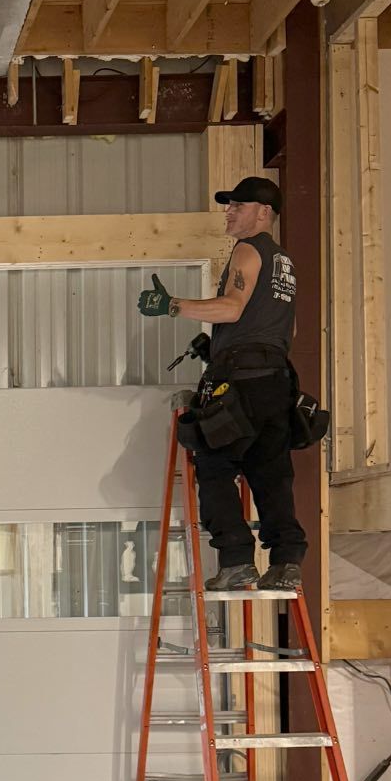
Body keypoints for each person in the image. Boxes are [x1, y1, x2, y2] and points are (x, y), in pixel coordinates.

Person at [137, 175, 306, 593]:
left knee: (214, 465)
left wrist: (172, 305)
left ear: (263, 212)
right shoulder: (284, 262)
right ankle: (286, 562)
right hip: (276, 381)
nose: (229, 212)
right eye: (229, 205)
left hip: (243, 382)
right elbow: (289, 330)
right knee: (270, 473)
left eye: (238, 205)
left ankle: (236, 560)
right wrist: (226, 346)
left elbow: (232, 308)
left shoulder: (248, 249)